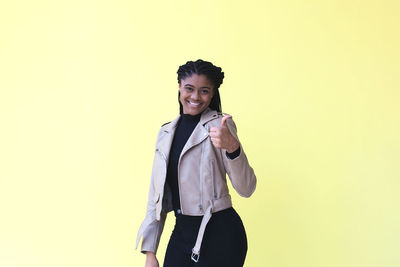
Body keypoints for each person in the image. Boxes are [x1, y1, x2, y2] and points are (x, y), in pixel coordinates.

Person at [136, 59, 257, 267]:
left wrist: (232, 147)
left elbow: (247, 188)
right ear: (179, 87)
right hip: (182, 230)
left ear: (212, 93)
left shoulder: (221, 126)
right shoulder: (165, 133)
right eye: (189, 89)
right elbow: (155, 195)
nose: (195, 97)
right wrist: (150, 251)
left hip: (221, 233)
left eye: (204, 91)